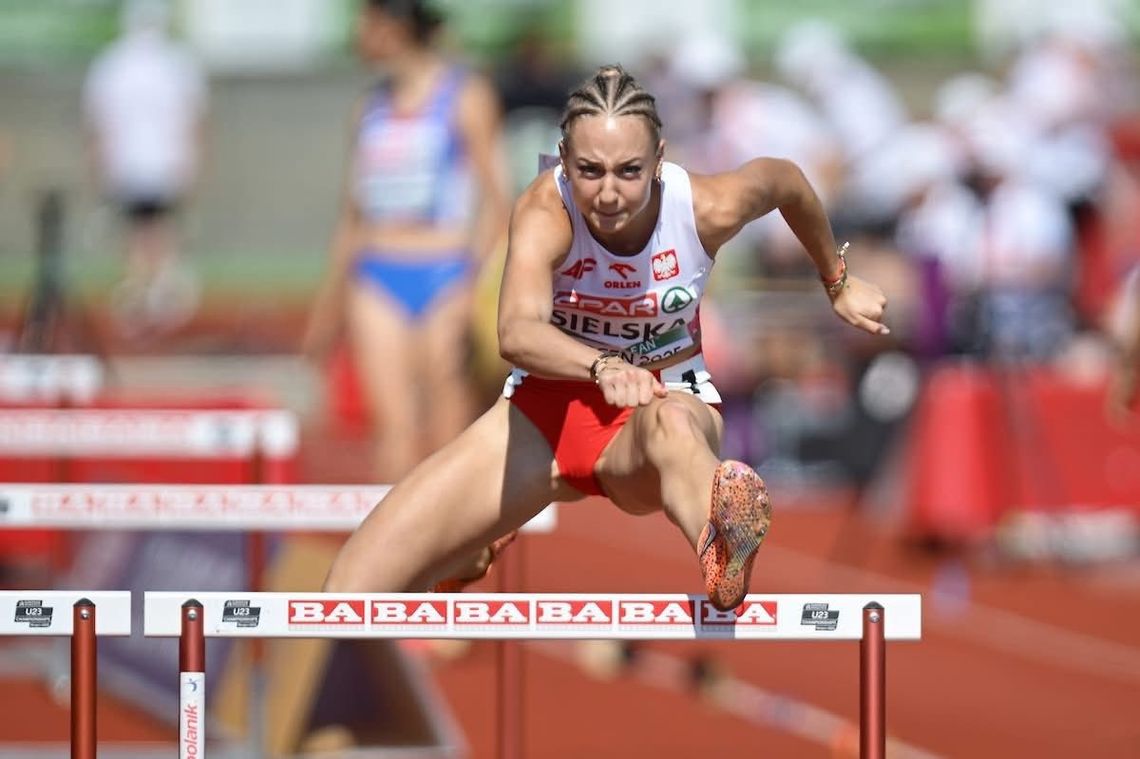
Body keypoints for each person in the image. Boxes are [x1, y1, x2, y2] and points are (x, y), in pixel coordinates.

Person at [323, 65, 889, 610]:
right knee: (343, 594)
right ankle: (468, 547)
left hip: (660, 404)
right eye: (590, 171)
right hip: (541, 420)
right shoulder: (547, 207)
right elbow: (516, 331)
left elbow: (785, 180)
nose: (610, 193)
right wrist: (601, 366)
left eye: (629, 171)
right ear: (564, 162)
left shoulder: (705, 207)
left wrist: (836, 280)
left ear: (659, 161)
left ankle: (721, 544)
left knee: (672, 429)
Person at [302, 0, 509, 481]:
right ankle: (396, 552)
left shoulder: (464, 96)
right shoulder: (368, 109)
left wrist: (474, 283)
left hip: (446, 274)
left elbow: (496, 203)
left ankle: (454, 551)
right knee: (393, 433)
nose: (357, 33)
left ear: (394, 26)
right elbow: (351, 216)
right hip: (376, 276)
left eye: (365, 22)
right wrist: (327, 309)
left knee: (449, 435)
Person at [82, 0, 208, 339]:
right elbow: (193, 121)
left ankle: (143, 303)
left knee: (138, 237)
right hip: (166, 163)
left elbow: (99, 126)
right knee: (160, 234)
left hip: (128, 165)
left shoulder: (111, 64)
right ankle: (157, 303)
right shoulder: (177, 63)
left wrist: (100, 169)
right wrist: (192, 165)